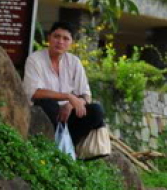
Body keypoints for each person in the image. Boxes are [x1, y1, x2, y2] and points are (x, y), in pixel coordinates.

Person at [23, 21, 107, 152]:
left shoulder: (74, 62)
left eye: (65, 38)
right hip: (44, 113)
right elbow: (33, 93)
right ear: (49, 38)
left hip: (68, 115)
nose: (60, 41)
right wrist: (68, 96)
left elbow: (86, 95)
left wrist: (70, 104)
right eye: (56, 36)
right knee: (48, 103)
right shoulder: (35, 59)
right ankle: (59, 147)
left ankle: (68, 146)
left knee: (96, 110)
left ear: (71, 43)